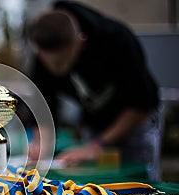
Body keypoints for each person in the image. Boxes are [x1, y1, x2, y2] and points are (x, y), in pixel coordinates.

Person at [28, 1, 162, 180]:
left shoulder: (117, 40)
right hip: (95, 121)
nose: (53, 70)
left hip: (135, 121)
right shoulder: (44, 54)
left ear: (80, 42)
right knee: (94, 180)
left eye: (61, 63)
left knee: (136, 180)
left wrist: (96, 146)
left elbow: (141, 104)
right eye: (47, 62)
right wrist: (42, 145)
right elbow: (43, 105)